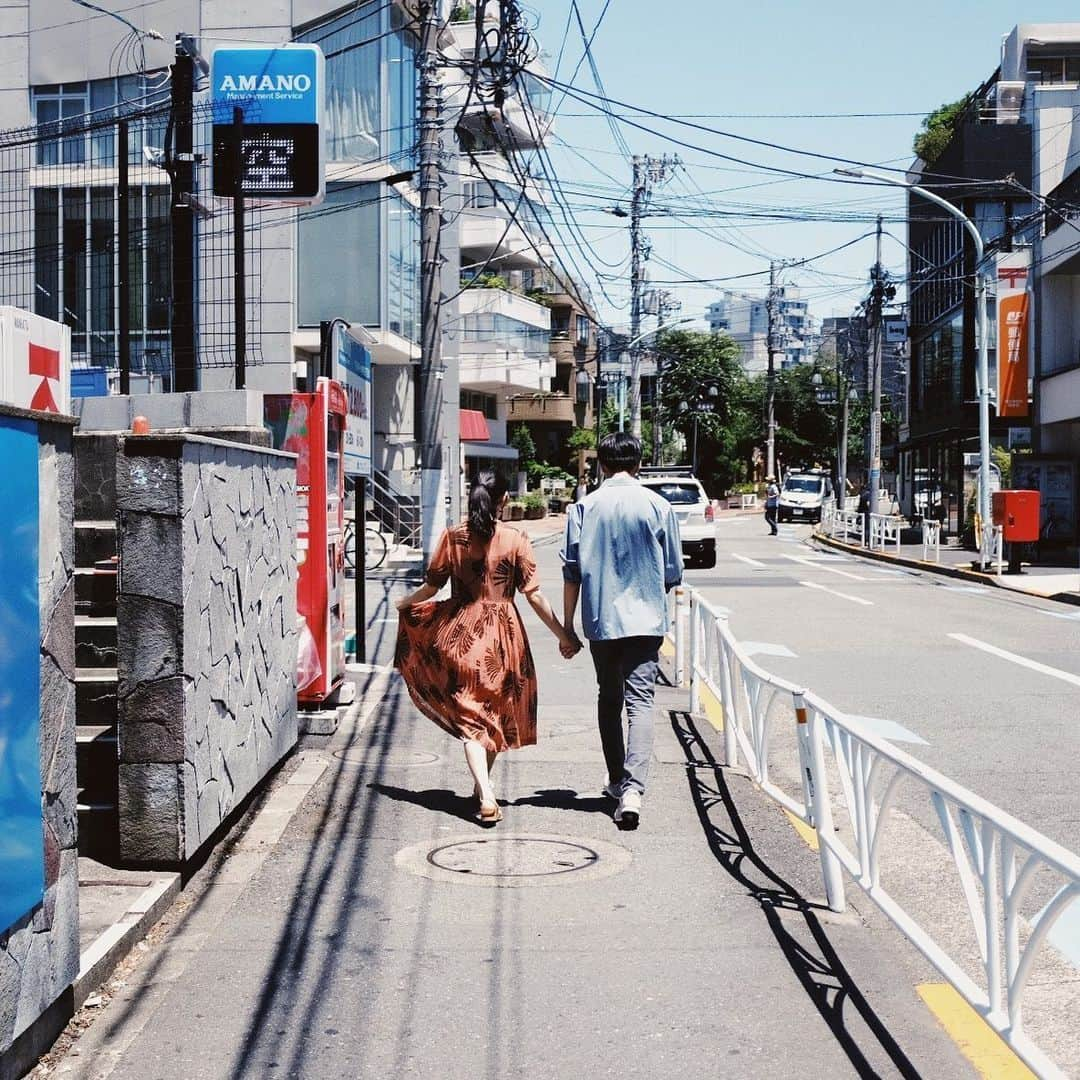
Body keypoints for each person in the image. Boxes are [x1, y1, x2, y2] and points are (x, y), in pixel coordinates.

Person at [395, 472, 581, 826]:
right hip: (504, 638)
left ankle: (483, 792)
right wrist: (563, 635)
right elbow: (535, 595)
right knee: (488, 716)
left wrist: (405, 603)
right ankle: (486, 792)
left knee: (474, 719)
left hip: (461, 635)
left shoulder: (453, 538)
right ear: (504, 501)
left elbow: (431, 588)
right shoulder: (515, 539)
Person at [560, 433, 684, 830]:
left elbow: (572, 572)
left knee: (609, 698)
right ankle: (634, 790)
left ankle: (616, 780)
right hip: (646, 621)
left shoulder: (584, 507)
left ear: (601, 465)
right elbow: (673, 572)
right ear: (639, 464)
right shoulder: (658, 506)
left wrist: (566, 627)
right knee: (641, 702)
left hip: (601, 620)